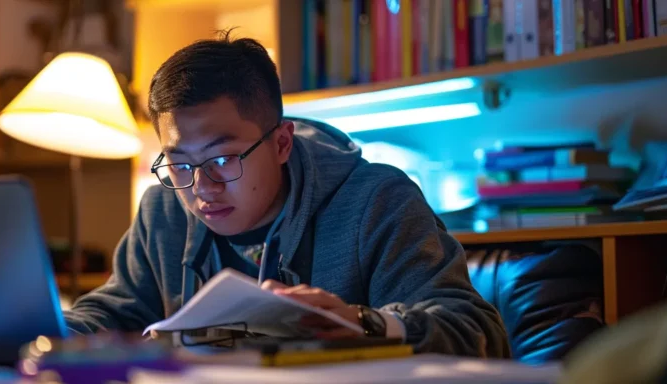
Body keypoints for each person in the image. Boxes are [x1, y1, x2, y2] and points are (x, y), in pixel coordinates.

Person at [64, 31, 510, 358]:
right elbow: (114, 313)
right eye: (179, 163)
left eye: (223, 158)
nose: (201, 187)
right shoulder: (163, 209)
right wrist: (40, 331)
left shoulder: (377, 202)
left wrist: (363, 323)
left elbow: (475, 330)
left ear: (281, 143)